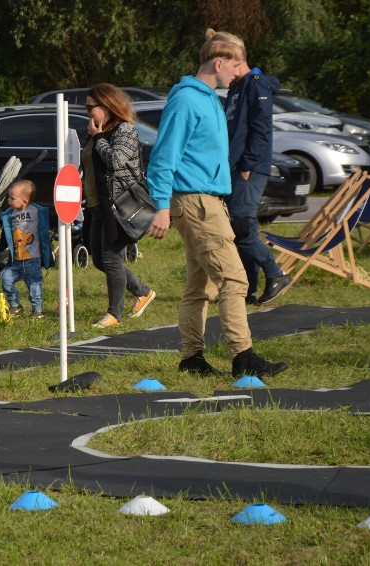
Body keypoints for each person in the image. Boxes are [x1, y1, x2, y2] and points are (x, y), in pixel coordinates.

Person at [146, 29, 288, 379]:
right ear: (219, 61)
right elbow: (164, 156)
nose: (239, 71)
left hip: (207, 200)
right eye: (236, 64)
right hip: (196, 202)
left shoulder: (210, 97)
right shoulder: (188, 100)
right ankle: (243, 357)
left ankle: (191, 358)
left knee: (200, 286)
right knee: (234, 279)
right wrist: (161, 205)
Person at [223, 37, 292, 305]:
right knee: (240, 225)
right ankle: (247, 288)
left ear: (237, 59)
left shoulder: (255, 84)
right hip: (234, 166)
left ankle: (276, 273)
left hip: (249, 168)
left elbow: (261, 128)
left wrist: (249, 164)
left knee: (242, 224)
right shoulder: (235, 87)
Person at [83, 83, 156, 329]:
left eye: (90, 107)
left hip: (118, 205)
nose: (87, 112)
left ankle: (114, 314)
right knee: (99, 260)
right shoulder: (96, 131)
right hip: (97, 204)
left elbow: (116, 160)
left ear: (107, 105)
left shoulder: (124, 130)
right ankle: (142, 292)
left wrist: (99, 138)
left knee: (111, 259)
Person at [0, 180, 52, 319]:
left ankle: (37, 311)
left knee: (34, 285)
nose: (8, 200)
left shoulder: (37, 212)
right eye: (9, 197)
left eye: (12, 198)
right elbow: (6, 234)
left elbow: (47, 227)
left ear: (25, 201)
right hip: (16, 260)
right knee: (5, 278)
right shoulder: (9, 214)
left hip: (33, 259)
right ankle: (15, 305)